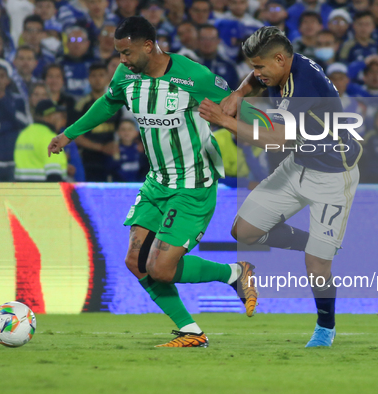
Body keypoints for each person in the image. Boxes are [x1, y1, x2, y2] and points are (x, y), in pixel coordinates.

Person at [47, 16, 257, 348]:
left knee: (159, 268)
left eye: (127, 53)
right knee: (135, 261)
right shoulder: (126, 75)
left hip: (193, 184)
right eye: (119, 54)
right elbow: (108, 103)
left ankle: (234, 272)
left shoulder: (193, 76)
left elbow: (234, 102)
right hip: (157, 182)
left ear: (149, 46)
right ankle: (191, 331)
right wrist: (69, 134)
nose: (122, 61)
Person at [199, 26, 362, 348]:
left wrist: (225, 119)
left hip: (332, 176)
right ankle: (318, 245)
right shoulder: (282, 65)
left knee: (317, 268)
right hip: (299, 165)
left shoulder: (302, 86)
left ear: (279, 59)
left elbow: (278, 140)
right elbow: (255, 79)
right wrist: (238, 93)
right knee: (244, 231)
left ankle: (325, 329)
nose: (256, 73)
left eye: (259, 67)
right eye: (253, 66)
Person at [73, 63, 120, 181]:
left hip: (112, 158)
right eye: (94, 76)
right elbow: (76, 136)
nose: (98, 79)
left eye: (101, 75)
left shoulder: (116, 103)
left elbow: (121, 129)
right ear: (88, 79)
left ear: (108, 78)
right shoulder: (82, 105)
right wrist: (101, 148)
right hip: (90, 160)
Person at [15, 99, 67, 182]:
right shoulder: (51, 138)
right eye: (57, 114)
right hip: (42, 192)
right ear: (50, 116)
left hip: (22, 191)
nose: (60, 118)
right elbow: (54, 176)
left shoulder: (23, 134)